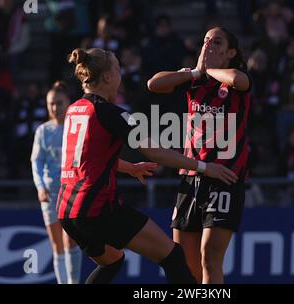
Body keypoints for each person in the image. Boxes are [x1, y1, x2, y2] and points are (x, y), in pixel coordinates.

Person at [59, 47, 238, 284]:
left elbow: (85, 161)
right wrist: (204, 167)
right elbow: (156, 152)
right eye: (118, 69)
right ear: (107, 77)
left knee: (112, 261)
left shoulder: (74, 109)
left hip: (67, 211)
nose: (121, 76)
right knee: (173, 256)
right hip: (98, 208)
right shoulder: (111, 113)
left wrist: (129, 168)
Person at [147, 27, 251, 283]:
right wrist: (195, 72)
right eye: (205, 41)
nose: (208, 46)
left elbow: (240, 80)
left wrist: (207, 71)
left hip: (225, 177)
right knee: (184, 264)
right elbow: (154, 84)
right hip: (191, 176)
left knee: (210, 257)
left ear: (231, 52)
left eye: (217, 42)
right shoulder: (193, 80)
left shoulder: (234, 81)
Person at [31, 81, 82, 283]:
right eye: (51, 103)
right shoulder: (43, 131)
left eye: (59, 103)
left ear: (68, 103)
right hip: (51, 193)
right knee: (56, 244)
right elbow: (36, 162)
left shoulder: (76, 127)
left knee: (71, 240)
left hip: (72, 192)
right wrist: (41, 187)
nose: (55, 107)